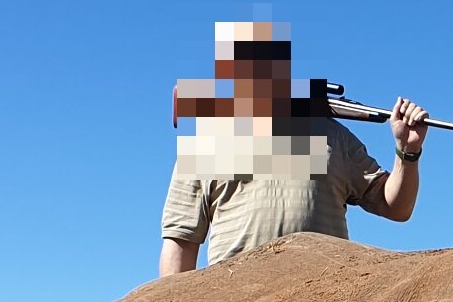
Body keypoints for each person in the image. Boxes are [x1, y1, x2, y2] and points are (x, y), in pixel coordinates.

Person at [159, 20, 432, 277]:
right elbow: (180, 244)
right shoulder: (205, 147)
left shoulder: (334, 137)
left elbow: (396, 208)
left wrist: (407, 152)